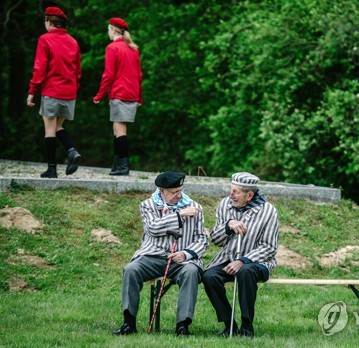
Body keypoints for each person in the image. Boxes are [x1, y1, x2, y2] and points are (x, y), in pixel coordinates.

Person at [112, 170, 207, 336]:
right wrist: (180, 214)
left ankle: (182, 325)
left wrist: (186, 254)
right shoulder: (148, 205)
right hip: (151, 256)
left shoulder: (195, 207)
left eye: (180, 191)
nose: (178, 195)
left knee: (191, 272)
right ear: (162, 191)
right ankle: (129, 323)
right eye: (173, 192)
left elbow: (201, 240)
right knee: (131, 269)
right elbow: (153, 228)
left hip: (181, 261)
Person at [202, 172, 280, 338]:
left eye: (236, 192)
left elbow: (269, 247)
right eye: (231, 190)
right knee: (209, 276)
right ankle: (229, 323)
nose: (231, 195)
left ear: (249, 195)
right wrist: (228, 226)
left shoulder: (269, 211)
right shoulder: (225, 204)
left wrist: (243, 261)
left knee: (245, 272)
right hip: (228, 258)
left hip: (258, 262)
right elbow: (216, 239)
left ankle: (247, 325)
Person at [27, 6, 82, 178]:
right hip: (69, 92)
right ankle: (71, 150)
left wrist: (32, 91)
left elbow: (39, 68)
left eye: (45, 20)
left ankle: (52, 169)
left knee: (50, 130)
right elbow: (78, 71)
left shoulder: (45, 39)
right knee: (58, 126)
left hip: (52, 90)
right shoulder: (73, 41)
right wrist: (74, 88)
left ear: (49, 22)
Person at [93, 17, 142, 176]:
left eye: (108, 29)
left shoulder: (113, 48)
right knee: (117, 128)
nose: (108, 32)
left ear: (114, 30)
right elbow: (139, 75)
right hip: (131, 92)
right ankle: (117, 164)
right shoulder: (133, 49)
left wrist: (99, 95)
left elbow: (108, 74)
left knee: (120, 129)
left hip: (120, 92)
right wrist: (139, 96)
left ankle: (123, 166)